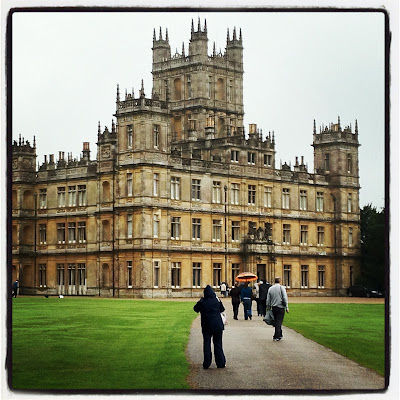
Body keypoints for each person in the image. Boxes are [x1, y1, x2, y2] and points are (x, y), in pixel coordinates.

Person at [193, 285, 226, 369]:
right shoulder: (217, 300)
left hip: (207, 325)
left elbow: (195, 309)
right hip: (218, 325)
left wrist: (201, 302)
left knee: (207, 344)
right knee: (218, 344)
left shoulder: (203, 301)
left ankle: (207, 363)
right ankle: (220, 363)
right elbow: (222, 309)